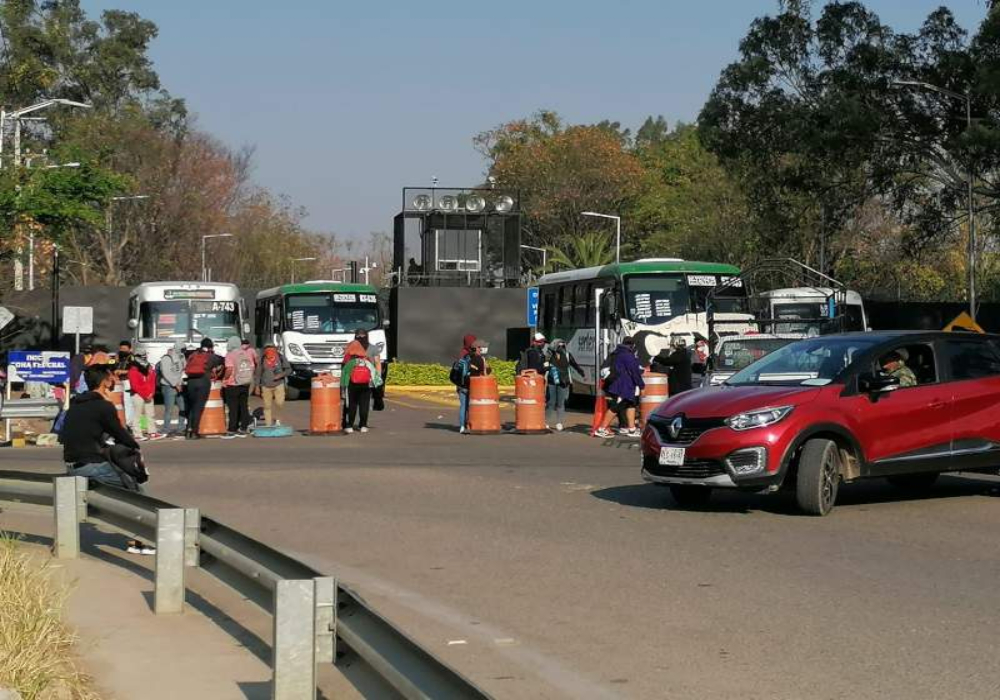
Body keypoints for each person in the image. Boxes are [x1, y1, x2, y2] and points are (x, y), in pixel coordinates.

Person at [61, 364, 141, 488]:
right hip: (92, 466)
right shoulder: (103, 406)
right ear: (106, 383)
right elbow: (120, 434)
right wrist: (135, 446)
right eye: (112, 377)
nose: (114, 380)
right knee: (134, 488)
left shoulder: (75, 404)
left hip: (71, 465)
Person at [596, 336, 645, 438]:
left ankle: (631, 429)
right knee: (616, 407)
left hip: (622, 385)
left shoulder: (618, 352)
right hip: (622, 386)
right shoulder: (628, 355)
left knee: (630, 405)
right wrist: (641, 386)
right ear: (632, 345)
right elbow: (634, 372)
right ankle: (602, 429)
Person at [184, 338, 223, 439]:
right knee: (198, 407)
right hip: (203, 382)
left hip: (191, 382)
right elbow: (222, 362)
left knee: (192, 406)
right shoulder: (211, 356)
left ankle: (188, 429)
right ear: (210, 346)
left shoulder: (192, 355)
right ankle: (194, 431)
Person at [341, 339, 382, 433]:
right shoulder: (366, 361)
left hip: (352, 386)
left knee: (351, 405)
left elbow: (345, 376)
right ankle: (363, 425)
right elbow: (374, 374)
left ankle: (350, 426)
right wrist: (375, 385)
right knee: (364, 405)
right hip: (365, 386)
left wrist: (343, 390)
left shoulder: (349, 361)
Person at [546, 338, 583, 431]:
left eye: (563, 346)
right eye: (559, 346)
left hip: (563, 381)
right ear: (555, 346)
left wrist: (581, 373)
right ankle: (546, 421)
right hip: (552, 381)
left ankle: (559, 422)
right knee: (551, 402)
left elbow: (574, 364)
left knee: (561, 403)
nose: (561, 347)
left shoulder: (567, 355)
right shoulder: (549, 355)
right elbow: (544, 365)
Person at [223, 336, 257, 436]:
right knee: (243, 406)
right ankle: (243, 427)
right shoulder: (246, 353)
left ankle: (232, 428)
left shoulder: (230, 355)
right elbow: (252, 366)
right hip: (245, 383)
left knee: (233, 407)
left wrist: (224, 379)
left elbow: (229, 369)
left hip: (233, 384)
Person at [127, 351, 161, 441]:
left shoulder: (149, 368)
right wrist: (145, 394)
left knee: (150, 414)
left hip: (149, 394)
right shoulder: (133, 369)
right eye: (142, 356)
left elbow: (152, 382)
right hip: (138, 394)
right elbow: (135, 385)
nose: (144, 358)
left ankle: (152, 432)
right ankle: (137, 434)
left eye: (145, 356)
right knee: (137, 414)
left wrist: (151, 393)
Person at [254, 343, 291, 426]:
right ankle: (268, 424)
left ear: (275, 349)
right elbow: (258, 373)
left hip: (279, 384)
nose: (269, 350)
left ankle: (277, 419)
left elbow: (289, 370)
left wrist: (280, 375)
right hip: (265, 385)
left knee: (279, 403)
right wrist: (257, 386)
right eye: (267, 348)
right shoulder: (262, 359)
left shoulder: (281, 358)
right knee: (267, 405)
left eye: (271, 348)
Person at [157, 341, 187, 436]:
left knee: (183, 407)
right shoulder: (167, 358)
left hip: (179, 385)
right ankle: (166, 429)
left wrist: (180, 383)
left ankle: (181, 428)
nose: (184, 351)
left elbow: (183, 370)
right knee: (169, 409)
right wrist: (175, 384)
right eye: (182, 349)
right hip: (168, 386)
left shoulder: (181, 357)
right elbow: (166, 373)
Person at [116, 340, 135, 428]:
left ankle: (129, 423)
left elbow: (134, 371)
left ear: (130, 349)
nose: (122, 350)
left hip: (128, 381)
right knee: (121, 402)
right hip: (120, 381)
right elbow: (112, 366)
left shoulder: (132, 358)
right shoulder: (119, 357)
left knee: (128, 402)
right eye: (121, 348)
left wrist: (122, 371)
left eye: (124, 348)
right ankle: (122, 420)